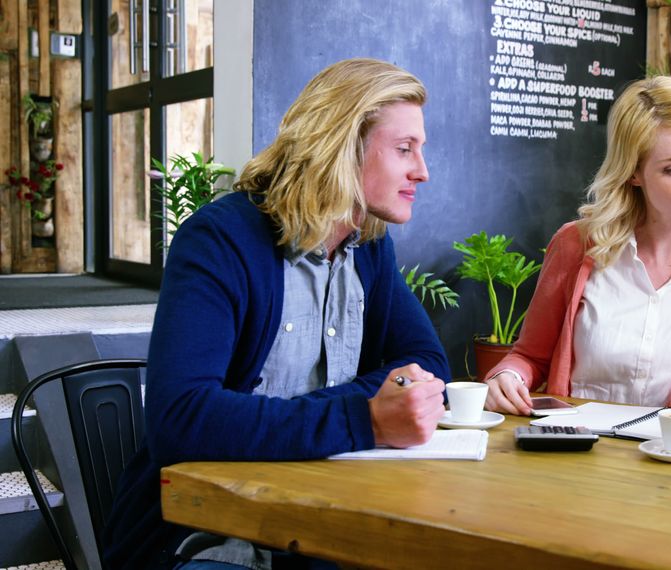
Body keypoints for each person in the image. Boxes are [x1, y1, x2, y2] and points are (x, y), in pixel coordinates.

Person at [103, 58, 450, 569]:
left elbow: (427, 362)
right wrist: (363, 417)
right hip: (210, 535)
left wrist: (363, 415)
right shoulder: (221, 239)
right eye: (404, 150)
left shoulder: (369, 247)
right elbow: (179, 418)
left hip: (326, 521)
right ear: (341, 145)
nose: (422, 170)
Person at [483, 76, 671, 417]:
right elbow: (531, 356)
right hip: (577, 452)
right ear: (633, 174)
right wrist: (507, 377)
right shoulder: (575, 246)